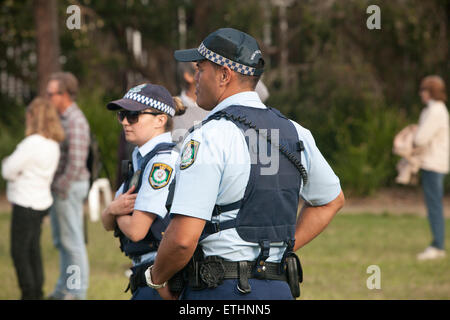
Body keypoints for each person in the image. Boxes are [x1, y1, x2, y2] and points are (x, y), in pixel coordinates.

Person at [146, 28, 345, 300]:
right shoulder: (296, 132)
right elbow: (330, 200)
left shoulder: (208, 136)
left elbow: (182, 240)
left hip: (218, 290)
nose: (196, 79)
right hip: (278, 289)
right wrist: (281, 252)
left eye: (200, 69)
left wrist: (157, 278)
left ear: (224, 75)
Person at [101, 83, 181, 299]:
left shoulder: (162, 163)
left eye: (134, 115)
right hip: (144, 274)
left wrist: (115, 212)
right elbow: (105, 220)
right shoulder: (140, 158)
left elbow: (137, 230)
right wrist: (113, 212)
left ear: (160, 120)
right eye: (122, 115)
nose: (125, 121)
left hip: (160, 275)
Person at [1, 98, 64, 300]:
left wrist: (10, 165)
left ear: (33, 118)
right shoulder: (53, 144)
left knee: (19, 252)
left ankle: (29, 293)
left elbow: (8, 170)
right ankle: (37, 291)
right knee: (33, 250)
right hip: (41, 202)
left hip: (25, 202)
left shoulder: (31, 143)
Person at [46, 72, 91, 300]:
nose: (48, 98)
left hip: (69, 187)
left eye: (51, 94)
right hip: (63, 188)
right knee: (63, 241)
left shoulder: (75, 121)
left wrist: (59, 188)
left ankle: (76, 291)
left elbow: (75, 163)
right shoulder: (61, 118)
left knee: (72, 243)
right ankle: (64, 288)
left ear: (64, 95)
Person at [414, 75, 449, 261]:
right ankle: (437, 242)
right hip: (432, 163)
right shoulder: (434, 110)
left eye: (424, 90)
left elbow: (420, 138)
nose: (421, 94)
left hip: (433, 163)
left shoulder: (436, 111)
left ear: (431, 92)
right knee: (433, 204)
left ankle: (438, 245)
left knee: (435, 205)